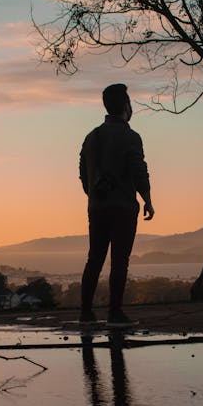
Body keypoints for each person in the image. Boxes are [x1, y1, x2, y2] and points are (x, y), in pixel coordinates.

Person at [79, 83, 154, 325]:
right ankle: (114, 312)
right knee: (120, 260)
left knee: (95, 258)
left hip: (97, 208)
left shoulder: (91, 137)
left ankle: (86, 313)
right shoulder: (131, 137)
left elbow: (83, 174)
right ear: (125, 106)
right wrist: (148, 198)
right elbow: (138, 169)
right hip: (123, 208)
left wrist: (94, 196)